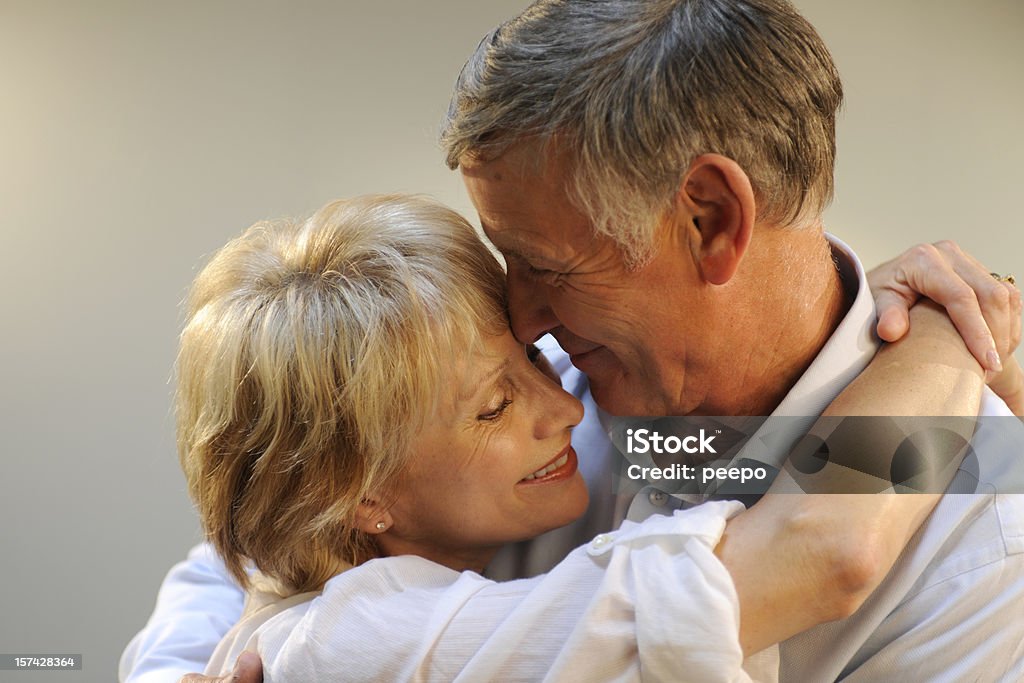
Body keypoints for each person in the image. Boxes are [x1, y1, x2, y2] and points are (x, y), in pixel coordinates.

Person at [122, 0, 1024, 680]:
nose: (521, 321)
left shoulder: (980, 548)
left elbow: (833, 552)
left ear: (710, 220)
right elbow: (262, 546)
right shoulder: (534, 376)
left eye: (542, 263)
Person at [142, 193, 987, 683]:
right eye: (492, 407)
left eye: (531, 358)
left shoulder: (323, 569)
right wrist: (955, 332)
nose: (565, 407)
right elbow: (823, 547)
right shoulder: (354, 644)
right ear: (359, 496)